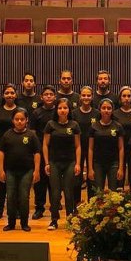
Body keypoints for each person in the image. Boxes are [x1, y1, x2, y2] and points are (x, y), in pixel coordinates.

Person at [0, 108, 41, 232]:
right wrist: (1, 170)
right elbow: (1, 152)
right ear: (12, 120)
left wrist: (37, 170)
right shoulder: (7, 135)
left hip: (27, 171)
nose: (19, 121)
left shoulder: (31, 135)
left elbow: (37, 153)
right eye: (17, 119)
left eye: (22, 119)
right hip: (10, 171)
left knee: (24, 197)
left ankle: (24, 223)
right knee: (10, 196)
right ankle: (11, 223)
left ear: (27, 120)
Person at [43, 98, 81, 230]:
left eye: (65, 108)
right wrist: (46, 163)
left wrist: (78, 163)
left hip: (70, 162)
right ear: (56, 110)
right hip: (54, 162)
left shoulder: (74, 125)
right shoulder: (50, 124)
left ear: (69, 110)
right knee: (55, 192)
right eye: (60, 108)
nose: (62, 110)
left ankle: (70, 219)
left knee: (69, 192)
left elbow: (78, 146)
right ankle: (54, 220)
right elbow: (45, 145)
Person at [0, 84, 18, 220]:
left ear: (16, 95)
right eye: (7, 93)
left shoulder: (20, 111)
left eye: (12, 93)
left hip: (17, 149)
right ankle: (0, 209)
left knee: (16, 180)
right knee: (0, 180)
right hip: (0, 149)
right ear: (3, 95)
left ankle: (16, 209)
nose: (10, 95)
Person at [30, 85, 57, 220]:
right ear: (41, 97)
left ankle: (55, 206)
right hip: (40, 151)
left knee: (54, 181)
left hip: (55, 150)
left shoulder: (58, 111)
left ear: (55, 97)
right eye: (46, 94)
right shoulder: (36, 113)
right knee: (39, 181)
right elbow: (33, 133)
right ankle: (39, 208)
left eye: (51, 94)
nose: (48, 96)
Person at [88, 98, 124, 191]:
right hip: (98, 163)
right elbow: (90, 148)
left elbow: (121, 148)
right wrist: (90, 168)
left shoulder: (118, 126)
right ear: (99, 109)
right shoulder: (94, 126)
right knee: (98, 192)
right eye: (104, 108)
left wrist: (120, 168)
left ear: (112, 110)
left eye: (109, 108)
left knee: (113, 192)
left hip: (113, 163)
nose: (106, 110)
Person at [71, 86, 100, 202]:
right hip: (77, 149)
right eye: (83, 95)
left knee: (92, 178)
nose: (86, 97)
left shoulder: (97, 113)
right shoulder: (74, 113)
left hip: (93, 149)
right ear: (80, 97)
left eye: (88, 95)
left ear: (92, 97)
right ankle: (77, 205)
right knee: (76, 178)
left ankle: (92, 205)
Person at [113, 86, 131, 191]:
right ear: (120, 98)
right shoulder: (114, 114)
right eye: (124, 96)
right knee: (119, 179)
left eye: (129, 96)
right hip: (118, 149)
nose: (126, 98)